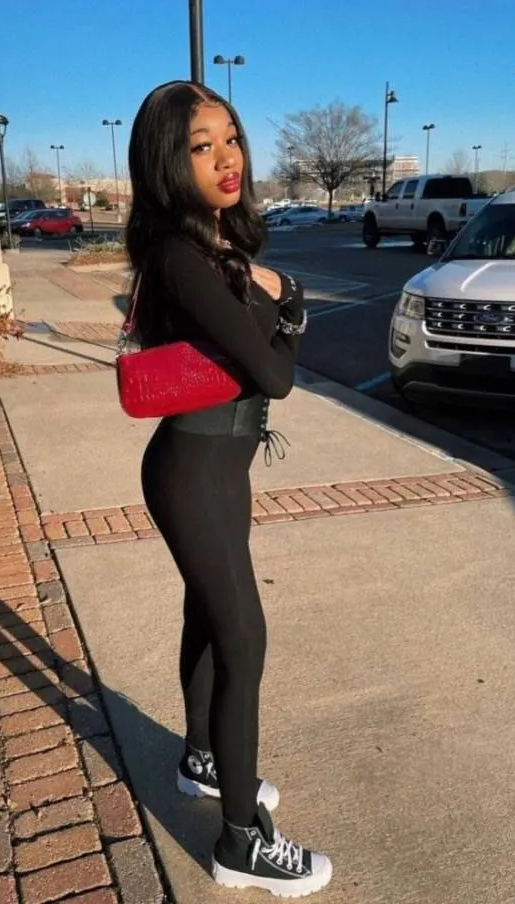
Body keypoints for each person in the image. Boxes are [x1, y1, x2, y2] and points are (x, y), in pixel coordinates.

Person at [125, 80, 333, 897]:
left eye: (231, 138)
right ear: (167, 163)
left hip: (220, 468)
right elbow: (275, 377)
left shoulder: (210, 245)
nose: (225, 159)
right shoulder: (183, 257)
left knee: (211, 618)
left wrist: (269, 293)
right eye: (200, 146)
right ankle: (241, 842)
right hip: (194, 472)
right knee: (244, 640)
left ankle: (202, 759)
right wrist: (290, 307)